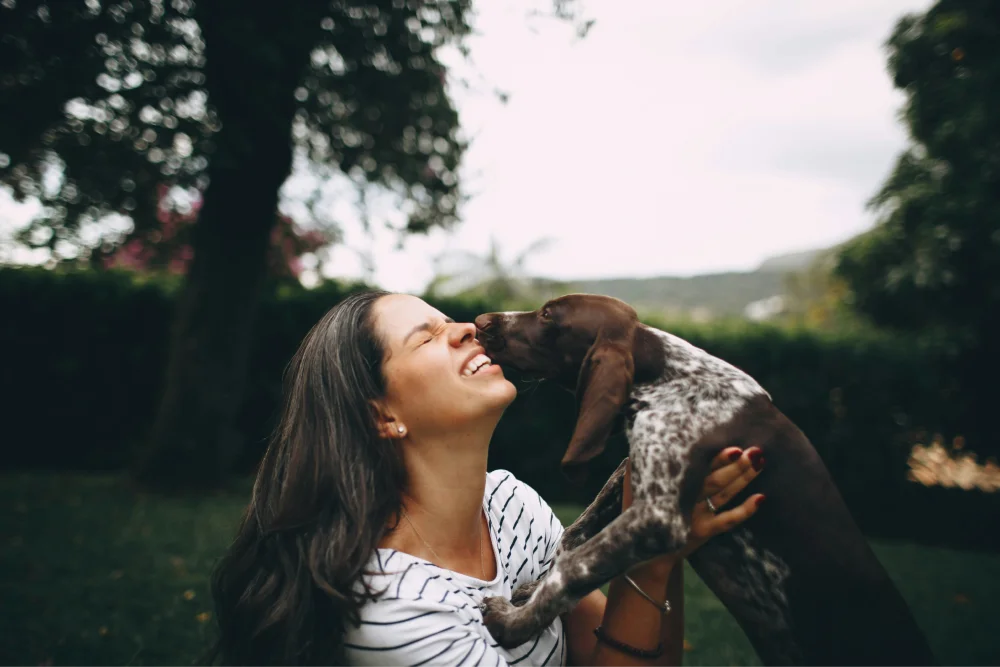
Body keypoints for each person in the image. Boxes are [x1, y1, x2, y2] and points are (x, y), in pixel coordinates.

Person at [207, 291, 765, 667]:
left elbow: (615, 650)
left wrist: (655, 528)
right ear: (381, 415)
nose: (467, 329)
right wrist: (652, 555)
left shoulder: (510, 505)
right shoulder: (394, 612)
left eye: (449, 321)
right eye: (425, 338)